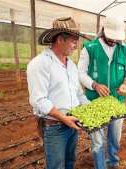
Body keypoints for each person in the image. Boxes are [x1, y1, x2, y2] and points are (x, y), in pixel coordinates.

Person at [27, 17, 89, 169]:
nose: (76, 46)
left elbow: (79, 94)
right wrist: (62, 117)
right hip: (54, 127)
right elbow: (38, 100)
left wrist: (92, 109)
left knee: (69, 163)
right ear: (60, 39)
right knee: (56, 166)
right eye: (74, 41)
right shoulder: (40, 64)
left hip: (73, 123)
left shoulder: (71, 66)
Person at [78, 15, 126, 169]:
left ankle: (113, 163)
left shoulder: (125, 49)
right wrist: (95, 85)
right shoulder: (90, 48)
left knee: (115, 138)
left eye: (116, 38)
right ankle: (100, 166)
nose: (114, 41)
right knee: (97, 141)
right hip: (94, 101)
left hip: (116, 102)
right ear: (103, 30)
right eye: (111, 37)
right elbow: (81, 73)